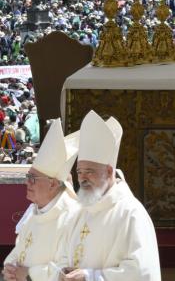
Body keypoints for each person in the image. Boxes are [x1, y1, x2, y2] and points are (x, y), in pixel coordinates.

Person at [57, 111, 161, 280]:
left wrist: (91, 277)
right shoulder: (81, 210)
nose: (82, 178)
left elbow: (142, 271)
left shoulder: (131, 213)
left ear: (109, 171)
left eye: (89, 171)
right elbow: (63, 252)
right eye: (79, 172)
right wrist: (62, 270)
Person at [3, 120, 79, 281]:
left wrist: (29, 274)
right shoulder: (35, 211)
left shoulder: (73, 217)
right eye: (28, 176)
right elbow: (19, 249)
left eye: (33, 178)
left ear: (52, 183)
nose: (27, 182)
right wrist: (9, 267)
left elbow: (70, 271)